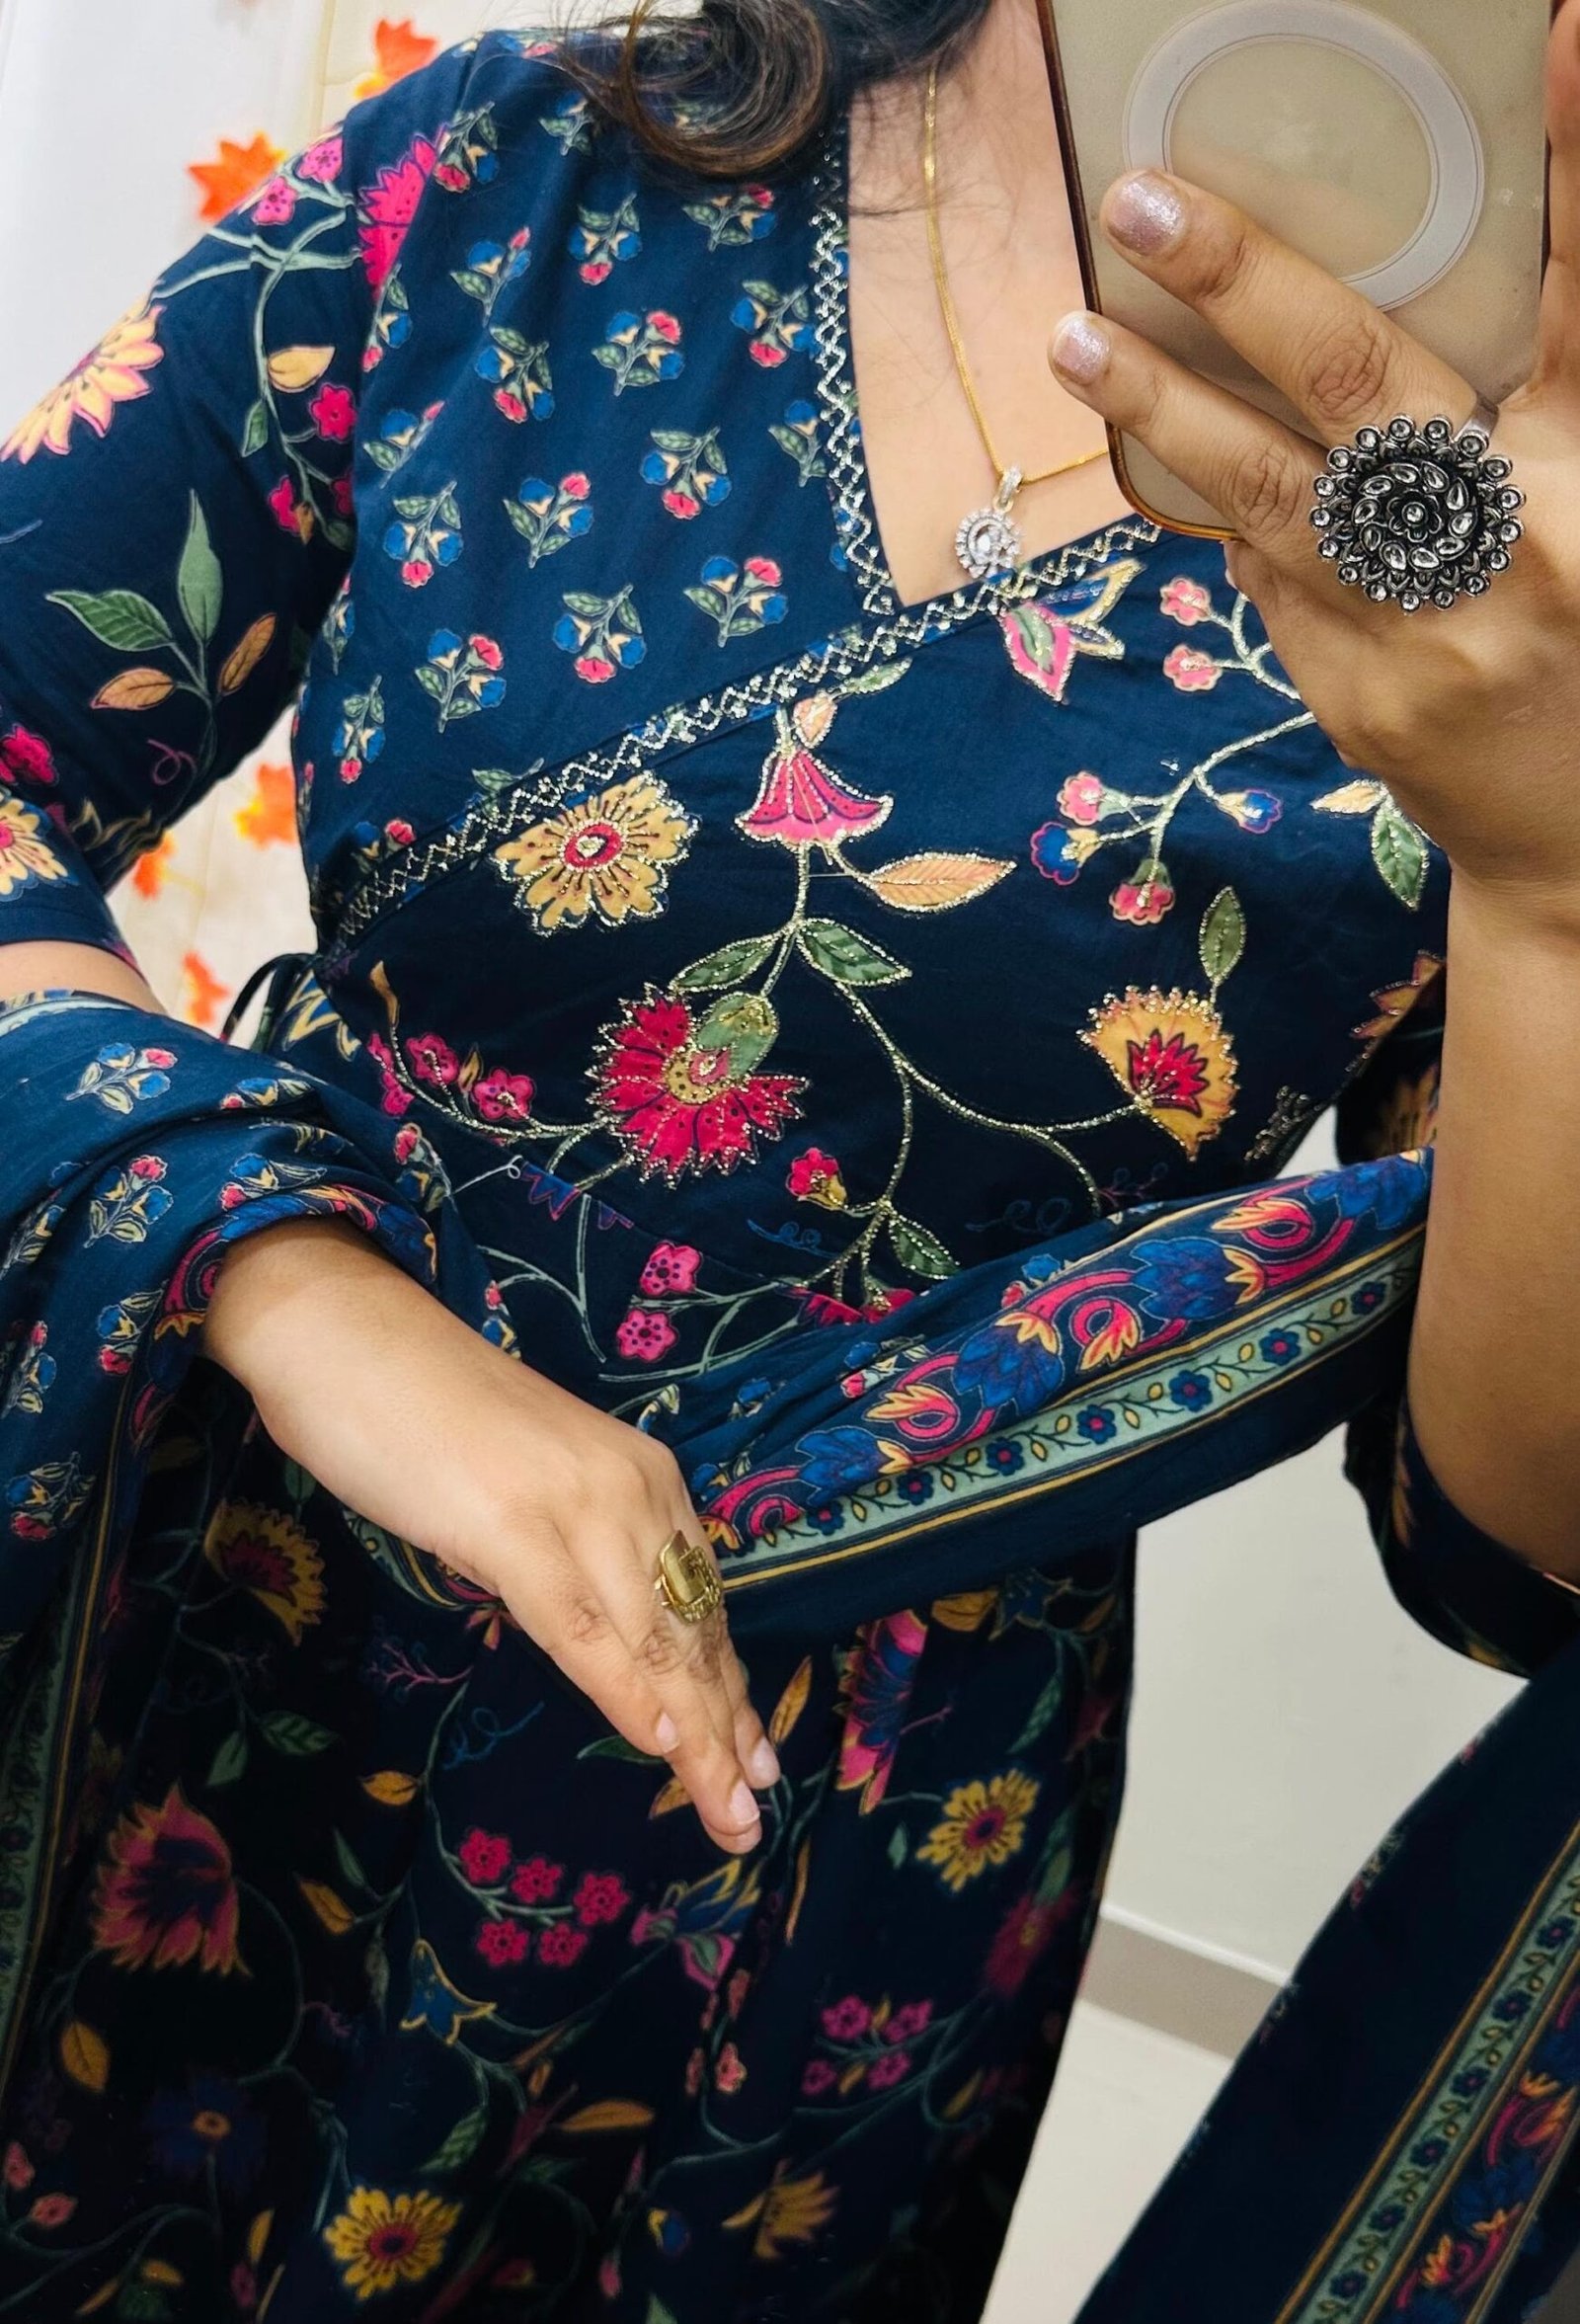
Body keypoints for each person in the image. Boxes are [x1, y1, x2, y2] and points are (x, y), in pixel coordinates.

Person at [0, 0, 1578, 2314]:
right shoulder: (528, 174)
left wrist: (1551, 888)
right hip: (208, 1596)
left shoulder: (1538, 525)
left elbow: (1508, 1545)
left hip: (813, 1865)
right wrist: (285, 1274)